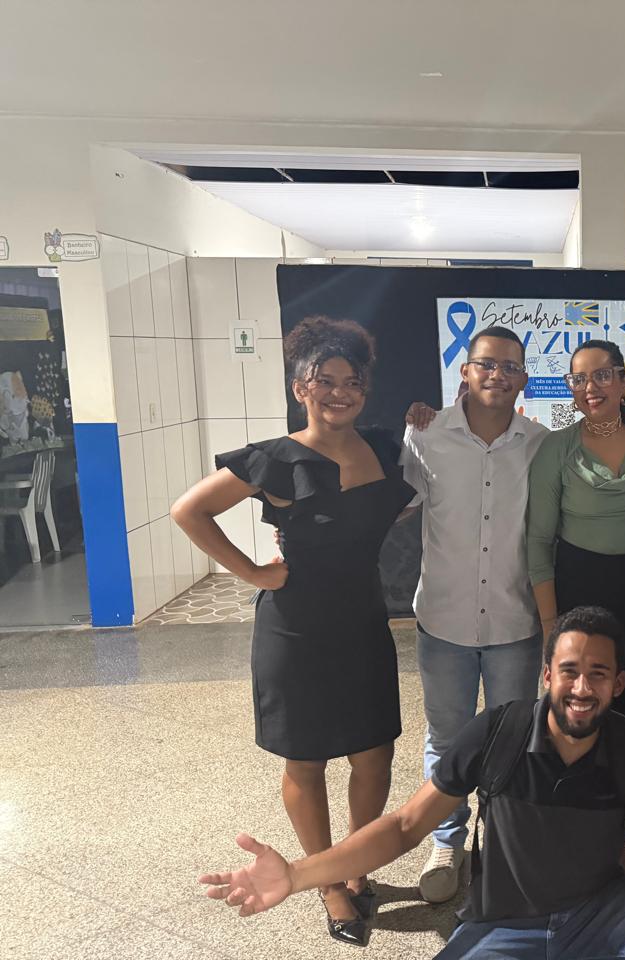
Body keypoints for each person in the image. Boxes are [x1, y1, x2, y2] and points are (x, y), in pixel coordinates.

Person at [197, 606, 625, 960]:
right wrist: (301, 874)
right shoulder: (497, 734)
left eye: (598, 673)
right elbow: (402, 827)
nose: (581, 686)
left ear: (619, 684)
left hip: (604, 917)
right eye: (569, 670)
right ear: (547, 675)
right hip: (504, 926)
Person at [171, 315, 416, 946]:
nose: (339, 392)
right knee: (306, 760)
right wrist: (254, 572)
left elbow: (400, 500)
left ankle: (356, 865)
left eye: (352, 381)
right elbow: (189, 510)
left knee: (374, 754)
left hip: (363, 622)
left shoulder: (383, 447)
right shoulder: (273, 459)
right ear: (300, 386)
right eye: (324, 380)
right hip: (296, 630)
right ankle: (327, 884)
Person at [400, 325, 548, 906]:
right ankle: (447, 841)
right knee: (448, 736)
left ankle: (504, 840)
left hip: (515, 621)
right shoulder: (425, 435)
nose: (497, 375)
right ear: (465, 371)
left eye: (510, 366)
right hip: (444, 620)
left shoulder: (539, 444)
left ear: (524, 379)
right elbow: (393, 506)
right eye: (486, 364)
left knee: (515, 736)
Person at [526, 339, 625, 721]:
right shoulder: (557, 448)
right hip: (579, 590)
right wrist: (550, 625)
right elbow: (538, 542)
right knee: (584, 706)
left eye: (602, 375)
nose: (590, 387)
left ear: (623, 381)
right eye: (579, 379)